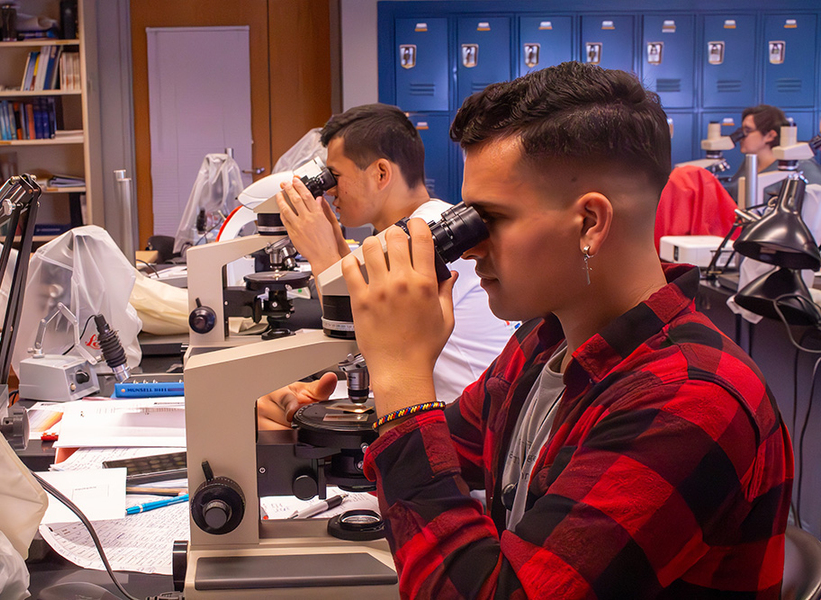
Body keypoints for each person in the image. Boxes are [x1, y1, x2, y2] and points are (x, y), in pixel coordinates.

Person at [266, 62, 793, 597]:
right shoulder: (547, 341)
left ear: (590, 222)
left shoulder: (689, 400)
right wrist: (316, 417)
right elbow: (449, 445)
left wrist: (401, 370)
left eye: (489, 219)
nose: (469, 247)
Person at [265, 104, 514, 414]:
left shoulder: (428, 233)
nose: (329, 192)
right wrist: (334, 247)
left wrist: (321, 254)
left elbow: (360, 329)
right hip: (452, 410)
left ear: (381, 173)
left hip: (471, 427)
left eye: (335, 176)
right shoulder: (406, 229)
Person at [722, 104, 821, 200]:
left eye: (747, 130)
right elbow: (733, 191)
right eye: (741, 130)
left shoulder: (802, 166)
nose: (741, 137)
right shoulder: (751, 162)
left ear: (770, 136)